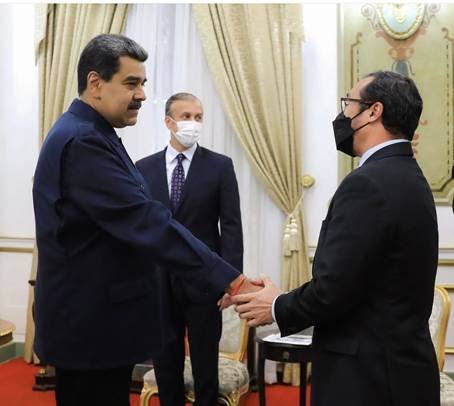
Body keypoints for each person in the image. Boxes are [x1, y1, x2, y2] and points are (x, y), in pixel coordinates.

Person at [32, 34, 258, 406]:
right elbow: (147, 220)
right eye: (131, 83)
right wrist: (232, 279)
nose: (141, 95)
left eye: (143, 84)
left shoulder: (96, 133)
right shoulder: (84, 141)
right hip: (91, 322)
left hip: (101, 319)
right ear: (95, 83)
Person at [232, 71, 440, 406]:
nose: (343, 114)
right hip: (402, 372)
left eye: (349, 103)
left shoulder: (368, 183)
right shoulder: (410, 176)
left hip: (365, 380)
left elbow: (333, 290)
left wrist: (276, 305)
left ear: (373, 111)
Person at [135, 92, 243, 406]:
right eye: (186, 116)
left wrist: (230, 279)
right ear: (169, 122)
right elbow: (139, 227)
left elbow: (232, 227)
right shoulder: (144, 168)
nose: (193, 123)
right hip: (157, 281)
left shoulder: (220, 166)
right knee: (165, 361)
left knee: (204, 363)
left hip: (204, 281)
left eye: (198, 117)